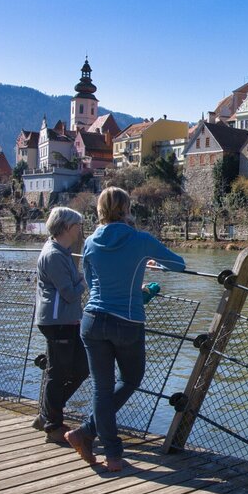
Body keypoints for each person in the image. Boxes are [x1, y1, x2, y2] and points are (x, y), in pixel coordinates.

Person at [65, 187, 185, 471]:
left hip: (93, 319)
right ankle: (87, 434)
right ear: (127, 208)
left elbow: (92, 284)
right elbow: (178, 265)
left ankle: (110, 453)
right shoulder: (140, 239)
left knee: (101, 389)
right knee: (131, 378)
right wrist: (152, 264)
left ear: (99, 210)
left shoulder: (91, 242)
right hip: (128, 321)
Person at [32, 207, 88, 443]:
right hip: (58, 320)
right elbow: (69, 292)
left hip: (66, 319)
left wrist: (78, 283)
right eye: (77, 226)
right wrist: (86, 280)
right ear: (66, 227)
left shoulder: (60, 251)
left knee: (81, 368)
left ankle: (47, 414)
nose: (80, 231)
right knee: (58, 373)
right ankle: (53, 425)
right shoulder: (55, 255)